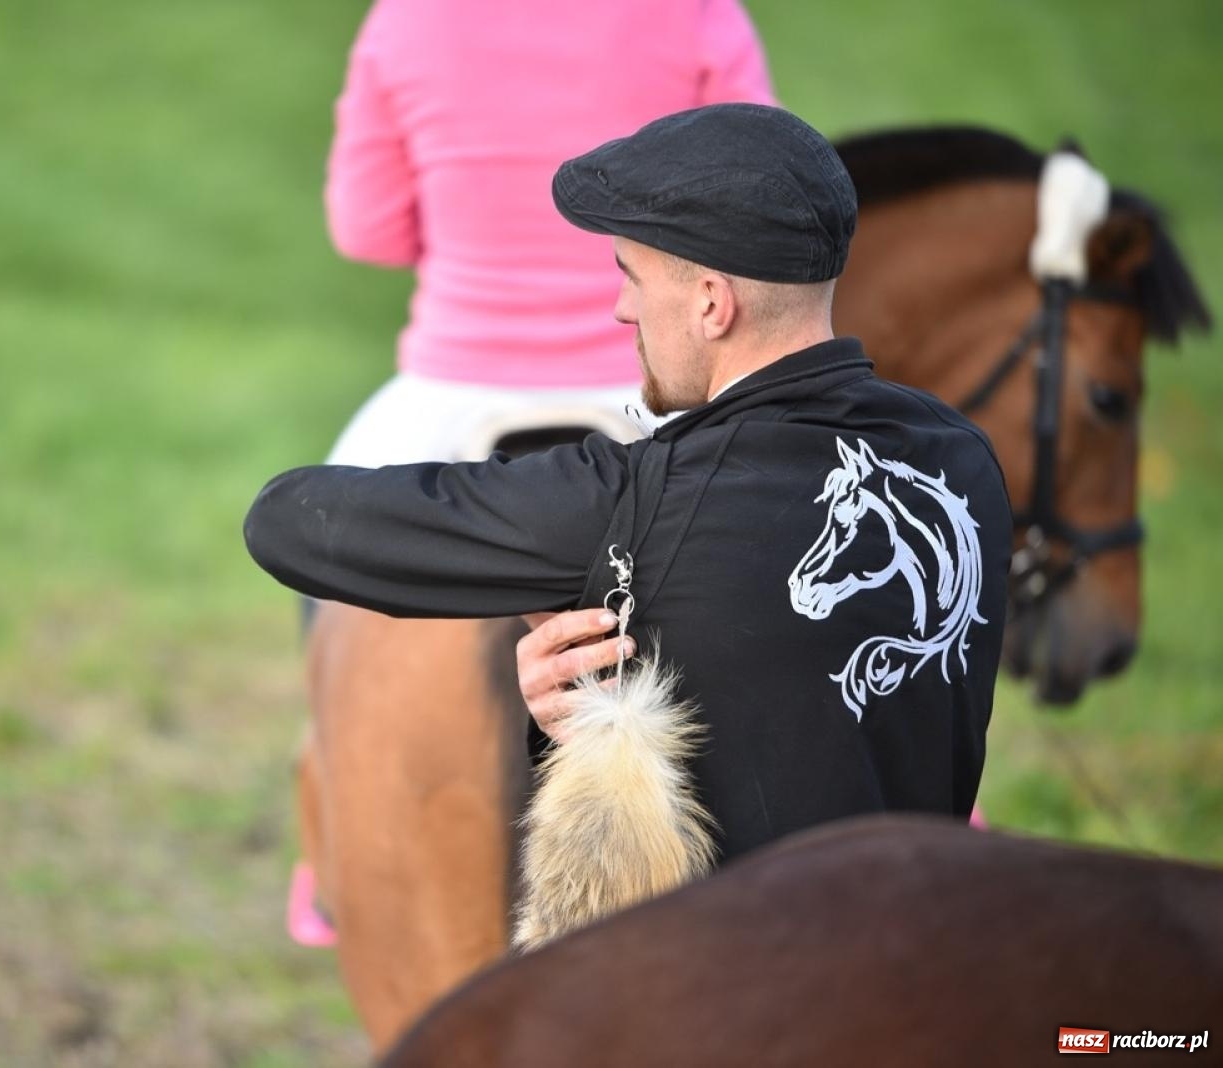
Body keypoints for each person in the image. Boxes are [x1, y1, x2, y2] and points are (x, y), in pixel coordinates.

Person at [250, 103, 1012, 864]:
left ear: (712, 304)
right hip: (922, 949)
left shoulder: (629, 501)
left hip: (730, 969)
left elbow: (287, 521)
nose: (621, 309)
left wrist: (550, 585)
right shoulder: (963, 467)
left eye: (631, 276)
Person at [323, 0, 776, 467]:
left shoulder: (406, 16)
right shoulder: (695, 10)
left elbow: (369, 232)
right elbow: (758, 203)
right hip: (664, 388)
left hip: (453, 387)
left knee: (313, 528)